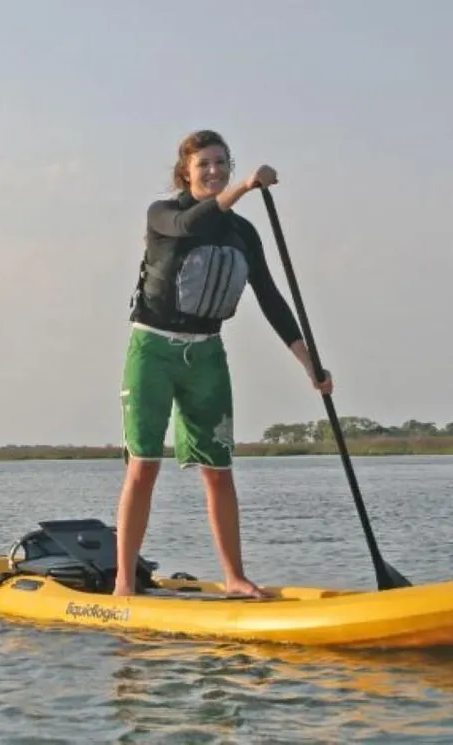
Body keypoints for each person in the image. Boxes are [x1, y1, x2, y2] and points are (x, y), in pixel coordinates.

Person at [113, 129, 333, 597]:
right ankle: (122, 583)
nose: (213, 171)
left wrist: (308, 363)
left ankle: (235, 578)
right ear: (185, 173)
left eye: (221, 163)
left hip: (207, 354)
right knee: (144, 466)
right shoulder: (163, 216)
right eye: (204, 165)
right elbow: (193, 228)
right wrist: (247, 188)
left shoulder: (243, 234)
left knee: (219, 469)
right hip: (153, 348)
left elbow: (271, 299)